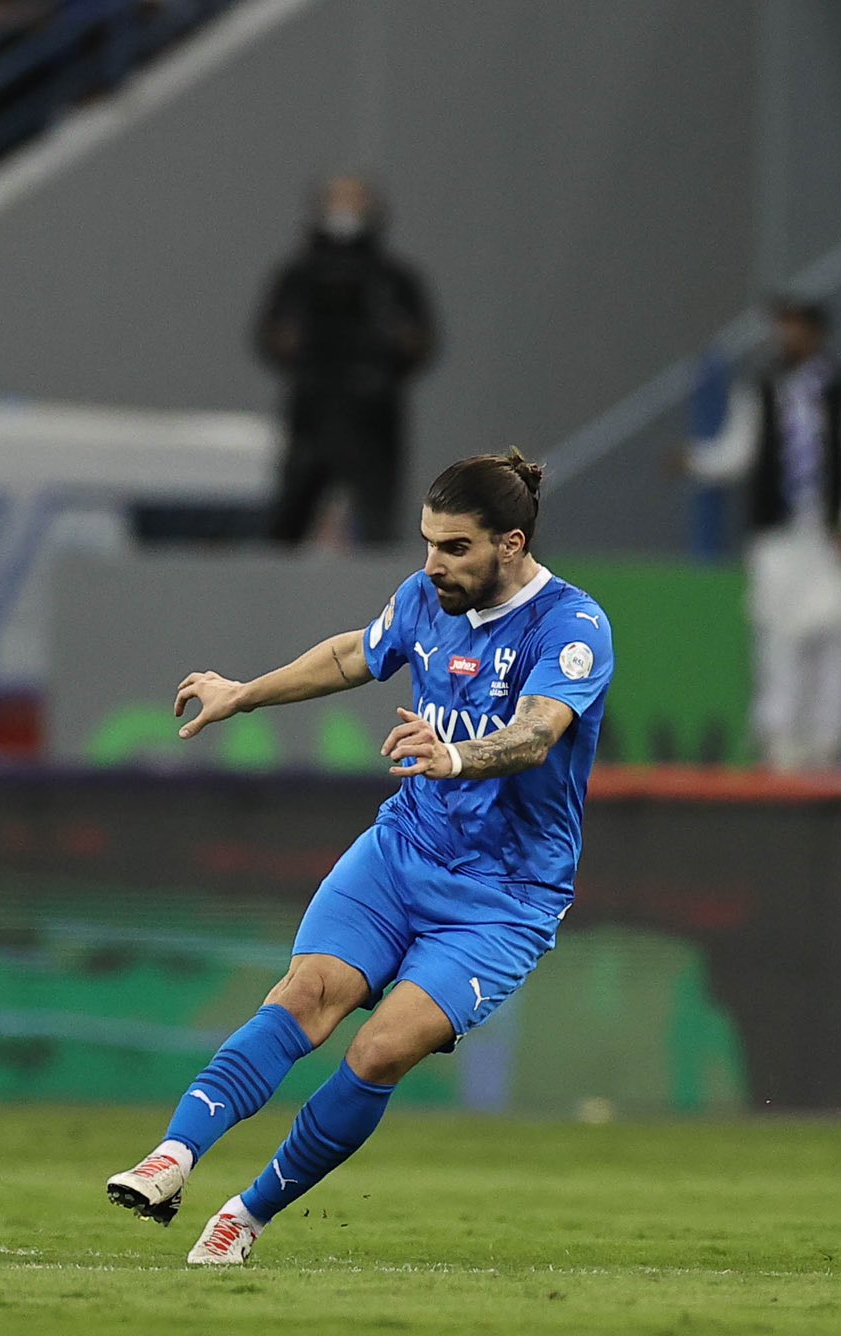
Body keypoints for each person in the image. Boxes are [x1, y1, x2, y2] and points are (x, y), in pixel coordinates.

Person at [105, 451, 611, 1265]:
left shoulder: (573, 627)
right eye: (427, 543)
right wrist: (244, 692)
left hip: (503, 898)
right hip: (402, 852)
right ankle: (173, 1157)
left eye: (455, 548)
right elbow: (353, 655)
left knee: (379, 1049)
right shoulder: (424, 600)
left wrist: (453, 756)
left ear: (511, 544)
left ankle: (247, 1214)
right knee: (306, 994)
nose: (433, 565)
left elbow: (538, 731)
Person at [685, 297, 841, 770]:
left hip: (829, 536)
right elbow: (740, 449)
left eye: (794, 328)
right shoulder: (763, 388)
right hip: (779, 536)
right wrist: (697, 461)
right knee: (778, 635)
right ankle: (778, 740)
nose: (785, 338)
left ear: (815, 333)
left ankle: (828, 740)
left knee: (835, 637)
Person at [255, 175, 438, 547]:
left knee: (376, 517)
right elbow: (271, 336)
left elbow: (420, 342)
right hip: (313, 407)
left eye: (354, 202)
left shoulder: (392, 280)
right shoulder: (299, 277)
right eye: (338, 201)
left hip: (372, 410)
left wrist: (387, 344)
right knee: (291, 512)